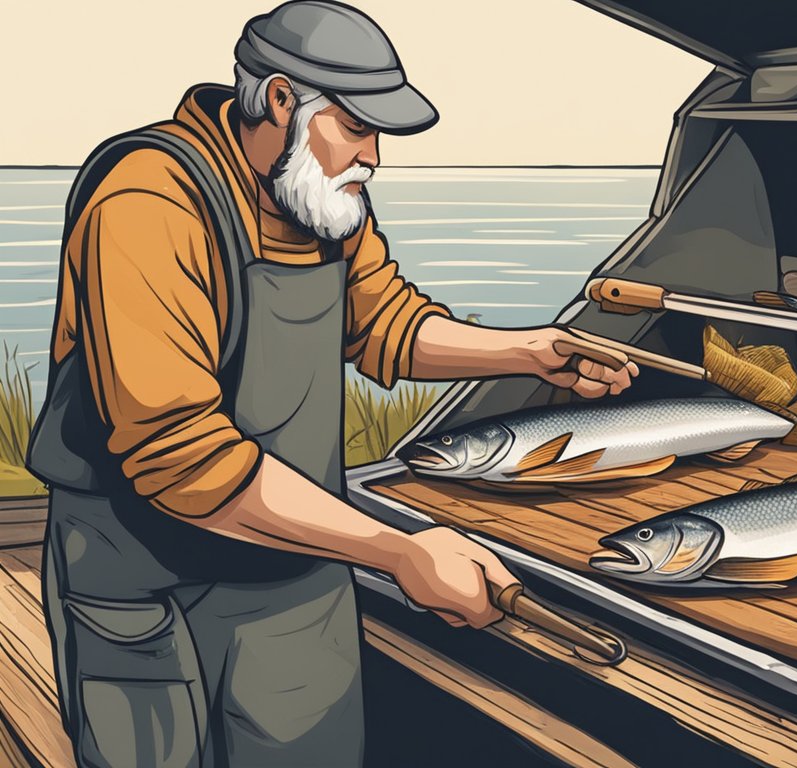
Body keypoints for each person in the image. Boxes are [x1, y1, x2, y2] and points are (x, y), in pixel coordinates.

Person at [25, 2, 638, 765]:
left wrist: (525, 352)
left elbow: (384, 325)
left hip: (293, 559)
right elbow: (180, 456)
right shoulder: (148, 199)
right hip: (139, 575)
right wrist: (400, 551)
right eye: (357, 126)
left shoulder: (319, 191)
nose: (374, 156)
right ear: (280, 100)